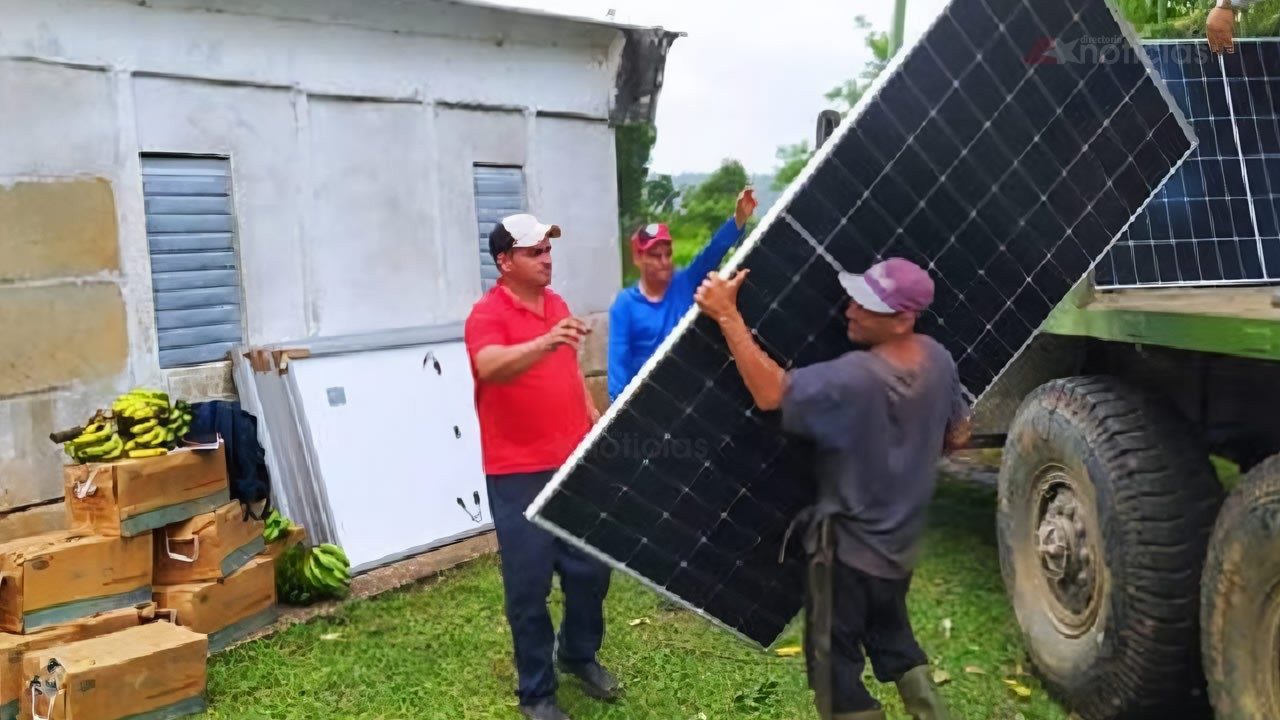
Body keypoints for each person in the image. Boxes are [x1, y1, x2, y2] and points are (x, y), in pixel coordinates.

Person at [693, 258, 971, 720]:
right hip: (898, 547)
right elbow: (959, 434)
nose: (850, 310)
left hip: (846, 556)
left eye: (867, 306)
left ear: (903, 319)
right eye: (855, 298)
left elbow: (771, 392)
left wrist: (727, 315)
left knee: (833, 669)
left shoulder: (855, 378)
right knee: (892, 634)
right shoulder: (937, 359)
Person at [465, 213, 616, 720]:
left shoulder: (557, 304)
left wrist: (589, 409)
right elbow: (488, 365)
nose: (547, 259)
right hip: (517, 471)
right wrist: (545, 341)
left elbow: (567, 365)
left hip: (572, 460)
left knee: (591, 570)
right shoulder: (486, 315)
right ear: (505, 261)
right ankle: (536, 693)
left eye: (548, 250)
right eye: (534, 252)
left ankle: (577, 654)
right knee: (529, 586)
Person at [607, 188, 758, 401]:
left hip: (691, 396)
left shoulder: (685, 282)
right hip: (649, 403)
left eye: (667, 254)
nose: (663, 261)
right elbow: (618, 368)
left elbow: (713, 251)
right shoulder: (624, 306)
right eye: (654, 255)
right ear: (639, 258)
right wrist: (620, 414)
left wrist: (739, 219)